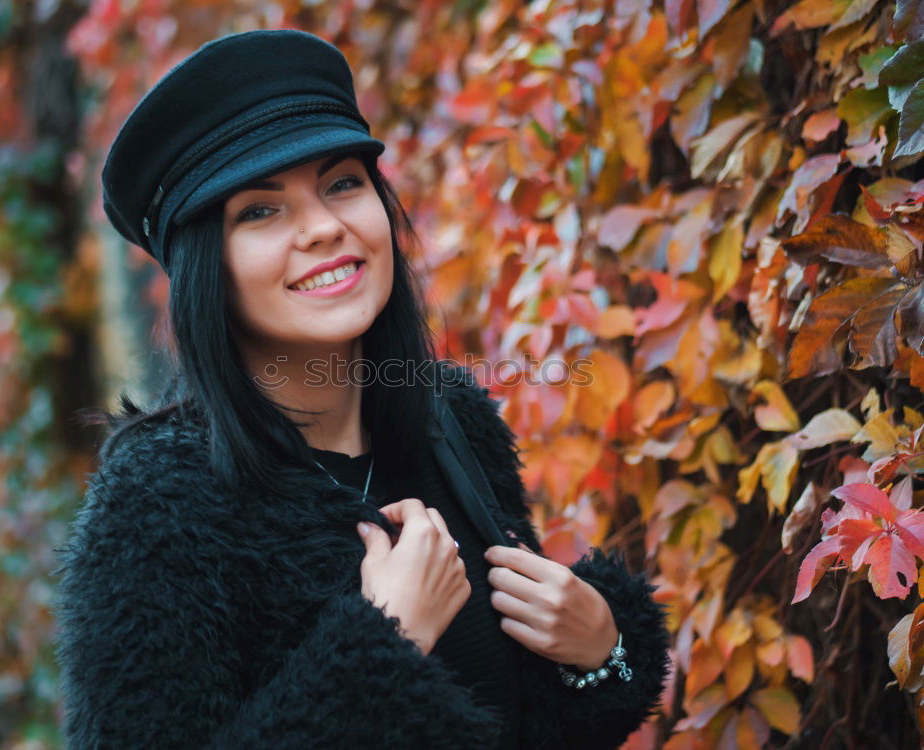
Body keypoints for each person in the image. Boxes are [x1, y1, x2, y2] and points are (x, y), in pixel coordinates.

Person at [53, 29, 670, 750]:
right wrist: (383, 646)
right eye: (260, 209)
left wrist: (604, 654)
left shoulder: (450, 423)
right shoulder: (158, 505)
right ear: (202, 267)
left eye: (342, 182)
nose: (324, 227)